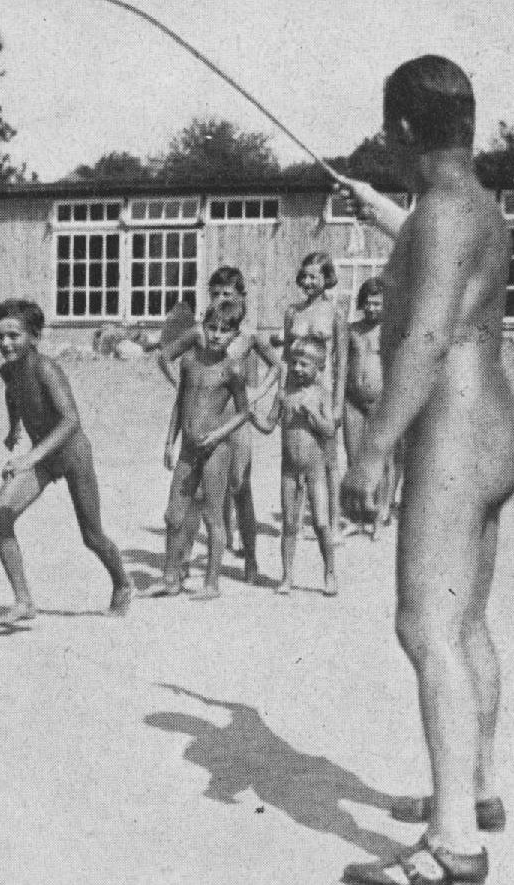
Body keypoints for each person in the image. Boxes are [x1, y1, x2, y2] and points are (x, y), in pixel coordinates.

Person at [340, 55, 512, 885]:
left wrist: (374, 446)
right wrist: (384, 214)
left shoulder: (440, 216)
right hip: (494, 427)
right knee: (467, 620)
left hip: (451, 432)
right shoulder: (477, 206)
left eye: (389, 129)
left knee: (424, 626)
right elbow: (443, 264)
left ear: (404, 128)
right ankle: (475, 788)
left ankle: (454, 844)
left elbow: (428, 335)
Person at [0, 299, 133, 624]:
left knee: (92, 536)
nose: (6, 343)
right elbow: (12, 394)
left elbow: (71, 420)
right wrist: (13, 428)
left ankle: (123, 583)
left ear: (35, 337)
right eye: (0, 336)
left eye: (14, 335)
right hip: (43, 458)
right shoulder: (7, 370)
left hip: (72, 454)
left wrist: (29, 457)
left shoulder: (46, 368)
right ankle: (24, 601)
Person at [158, 267, 279, 582]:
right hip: (205, 422)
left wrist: (257, 393)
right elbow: (166, 358)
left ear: (241, 297)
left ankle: (250, 558)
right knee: (195, 493)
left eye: (228, 294)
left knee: (240, 487)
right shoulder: (202, 332)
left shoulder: (247, 335)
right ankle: (183, 561)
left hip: (236, 421)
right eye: (215, 293)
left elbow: (278, 366)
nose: (221, 298)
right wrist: (180, 388)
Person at [162, 300, 254, 600]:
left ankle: (212, 582)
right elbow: (180, 402)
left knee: (213, 516)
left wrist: (217, 434)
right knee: (173, 515)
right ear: (202, 327)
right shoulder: (189, 362)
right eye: (211, 328)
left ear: (234, 335)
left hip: (216, 450)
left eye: (224, 331)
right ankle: (170, 578)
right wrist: (169, 441)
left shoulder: (232, 369)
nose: (216, 335)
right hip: (189, 448)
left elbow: (244, 412)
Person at [252, 337, 338, 597]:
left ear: (319, 367)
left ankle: (330, 572)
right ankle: (287, 575)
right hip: (289, 471)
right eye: (294, 363)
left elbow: (329, 430)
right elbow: (269, 426)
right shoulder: (284, 395)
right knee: (289, 524)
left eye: (305, 364)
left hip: (315, 471)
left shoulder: (322, 395)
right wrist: (250, 415)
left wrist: (313, 414)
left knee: (321, 523)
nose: (298, 368)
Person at [282, 252, 348, 539]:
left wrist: (338, 405)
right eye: (305, 276)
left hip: (324, 393)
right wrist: (283, 395)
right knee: (295, 456)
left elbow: (342, 363)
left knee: (329, 460)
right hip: (296, 391)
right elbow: (286, 358)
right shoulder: (292, 312)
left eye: (314, 277)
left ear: (327, 278)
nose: (308, 282)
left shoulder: (335, 313)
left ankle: (333, 523)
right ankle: (294, 522)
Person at [343, 277, 400, 537]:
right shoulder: (352, 330)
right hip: (352, 401)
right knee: (354, 458)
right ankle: (357, 516)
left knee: (383, 460)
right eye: (368, 303)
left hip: (381, 401)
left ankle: (381, 512)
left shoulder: (392, 331)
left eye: (378, 304)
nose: (372, 308)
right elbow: (341, 364)